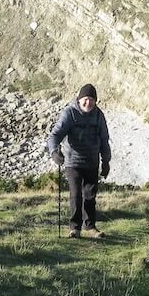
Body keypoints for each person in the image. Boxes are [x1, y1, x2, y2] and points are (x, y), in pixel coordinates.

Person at [46, 83, 112, 239]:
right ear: (79, 99)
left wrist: (106, 161)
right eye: (85, 99)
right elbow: (55, 136)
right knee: (76, 194)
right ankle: (74, 228)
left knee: (90, 195)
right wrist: (54, 152)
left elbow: (104, 139)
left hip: (92, 161)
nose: (88, 102)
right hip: (72, 161)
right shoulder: (70, 113)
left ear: (95, 101)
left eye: (91, 99)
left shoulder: (98, 115)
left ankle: (90, 227)